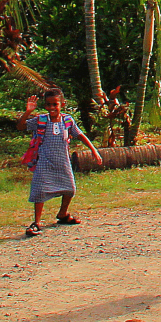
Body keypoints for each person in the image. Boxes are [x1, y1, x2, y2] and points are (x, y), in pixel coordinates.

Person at [20, 89, 102, 236]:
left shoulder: (68, 120)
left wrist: (94, 150)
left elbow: (80, 135)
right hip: (44, 161)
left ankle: (62, 214)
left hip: (62, 161)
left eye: (55, 104)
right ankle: (36, 223)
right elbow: (21, 126)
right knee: (40, 191)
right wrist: (28, 112)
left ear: (62, 104)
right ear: (45, 106)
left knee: (70, 188)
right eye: (48, 104)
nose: (52, 107)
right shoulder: (41, 120)